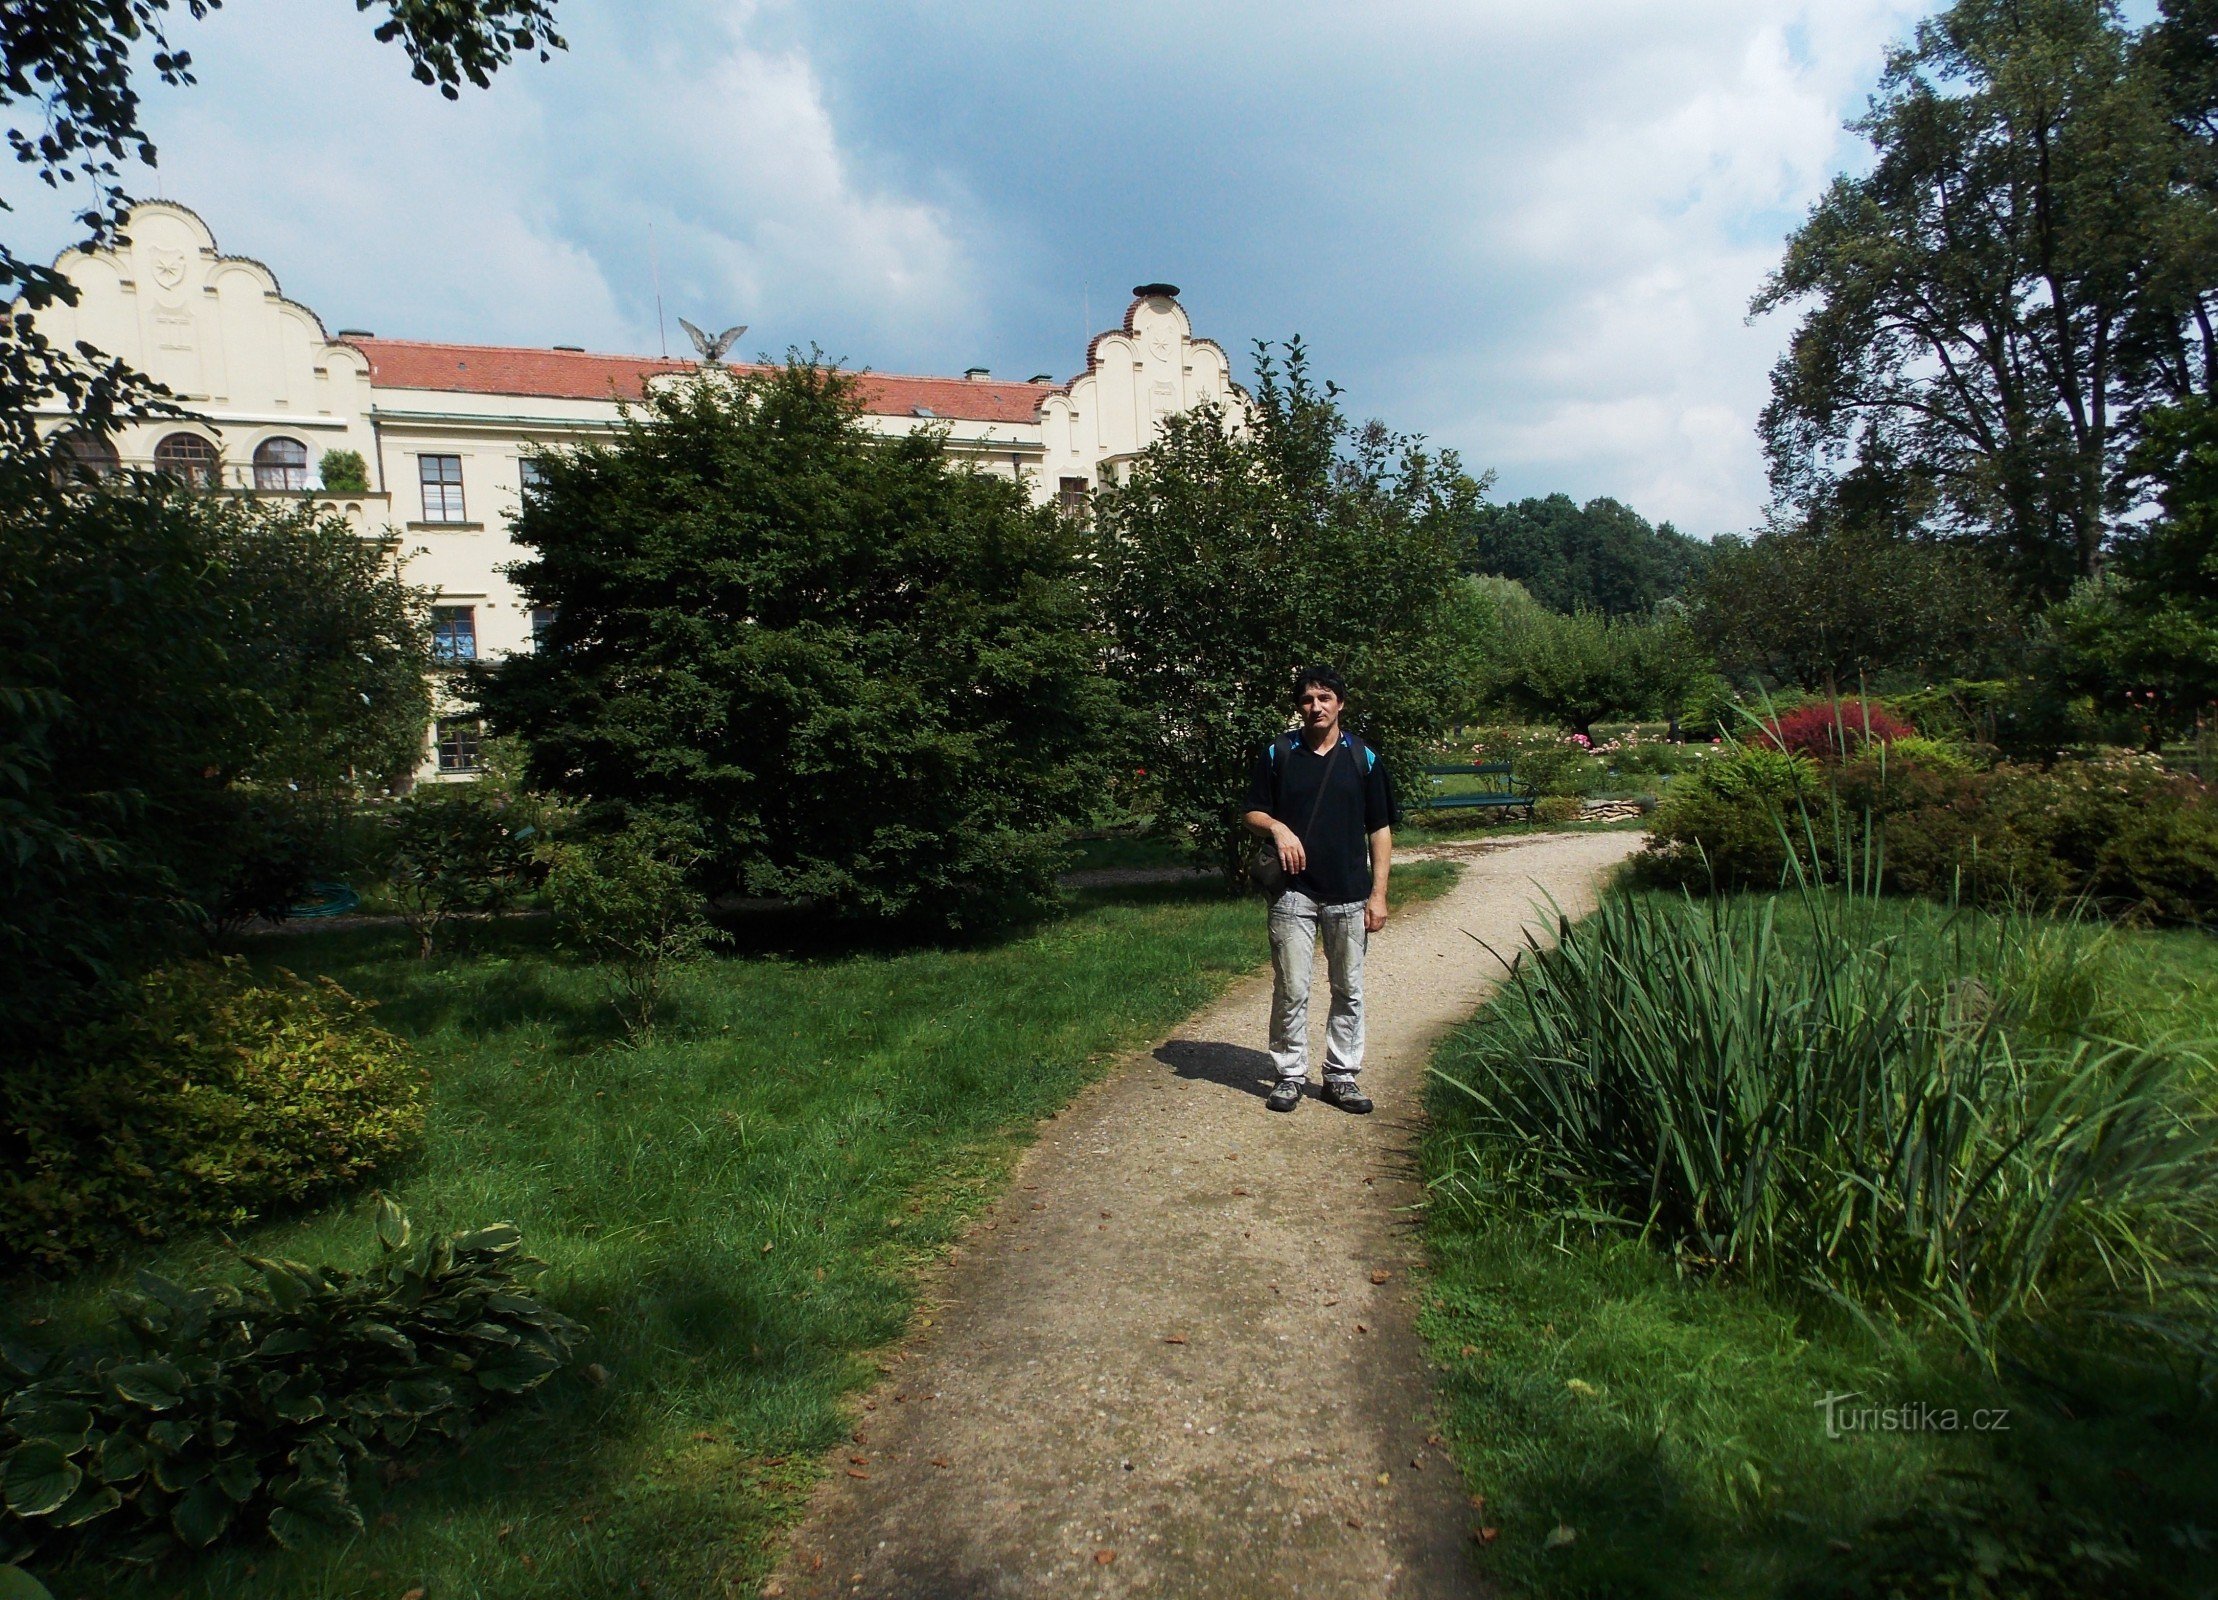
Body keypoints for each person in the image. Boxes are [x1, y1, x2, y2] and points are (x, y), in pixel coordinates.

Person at [1240, 665, 1397, 1114]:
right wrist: (1278, 829)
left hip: (1349, 893)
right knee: (1291, 987)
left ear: (1340, 704)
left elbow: (1380, 830)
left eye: (1325, 698)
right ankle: (1289, 1075)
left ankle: (1341, 1076)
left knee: (1348, 988)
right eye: (1308, 699)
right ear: (1299, 707)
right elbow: (1251, 812)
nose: (1316, 707)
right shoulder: (1279, 752)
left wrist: (1379, 894)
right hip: (1293, 893)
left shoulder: (1362, 758)